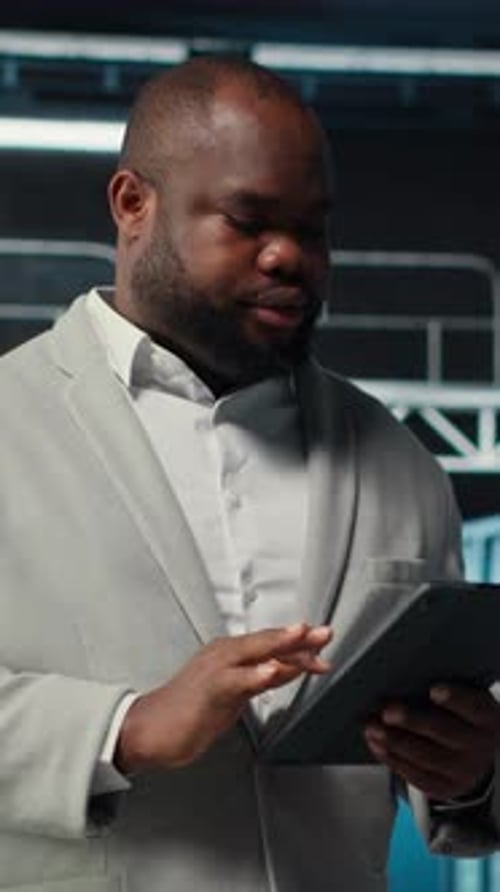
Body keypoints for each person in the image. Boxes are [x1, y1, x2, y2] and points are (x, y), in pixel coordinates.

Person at [0, 55, 499, 892]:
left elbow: (453, 778)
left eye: (314, 228)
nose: (289, 257)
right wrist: (126, 726)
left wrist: (474, 769)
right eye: (248, 219)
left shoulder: (401, 463)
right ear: (133, 205)